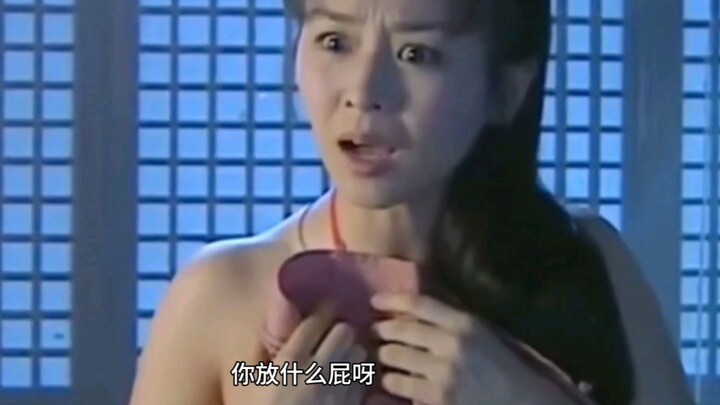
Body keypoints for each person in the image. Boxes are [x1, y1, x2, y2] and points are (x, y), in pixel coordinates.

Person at [129, 0, 695, 404]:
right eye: (335, 41)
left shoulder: (587, 262)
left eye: (416, 53)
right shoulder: (220, 297)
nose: (364, 92)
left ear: (505, 89)